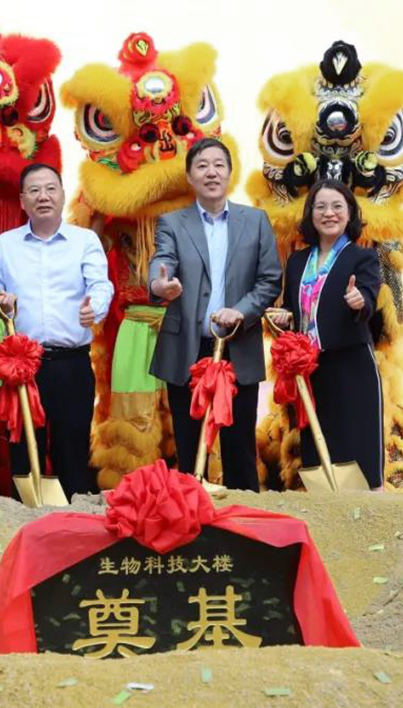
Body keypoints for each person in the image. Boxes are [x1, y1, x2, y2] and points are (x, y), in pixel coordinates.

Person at [148, 138, 282, 491]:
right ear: (190, 176)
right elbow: (162, 262)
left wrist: (240, 311)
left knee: (239, 446)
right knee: (190, 446)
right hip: (187, 349)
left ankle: (244, 514)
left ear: (230, 173)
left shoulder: (255, 221)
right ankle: (191, 515)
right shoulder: (173, 223)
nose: (211, 172)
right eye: (202, 165)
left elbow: (270, 280)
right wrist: (161, 285)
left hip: (239, 347)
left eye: (219, 164)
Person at [0, 162, 113, 497]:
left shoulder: (84, 241)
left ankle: (74, 520)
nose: (43, 196)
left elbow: (101, 285)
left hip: (72, 364)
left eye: (51, 189)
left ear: (62, 195)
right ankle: (25, 520)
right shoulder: (6, 244)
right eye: (34, 190)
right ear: (22, 200)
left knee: (73, 451)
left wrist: (94, 308)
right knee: (23, 453)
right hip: (23, 367)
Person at [266, 180, 386, 488]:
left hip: (351, 366)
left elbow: (369, 299)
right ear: (310, 214)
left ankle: (366, 512)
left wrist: (360, 301)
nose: (328, 213)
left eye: (337, 206)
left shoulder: (362, 257)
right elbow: (294, 308)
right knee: (318, 451)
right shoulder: (297, 262)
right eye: (320, 207)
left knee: (357, 451)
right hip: (310, 371)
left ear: (350, 214)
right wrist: (285, 315)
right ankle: (326, 513)